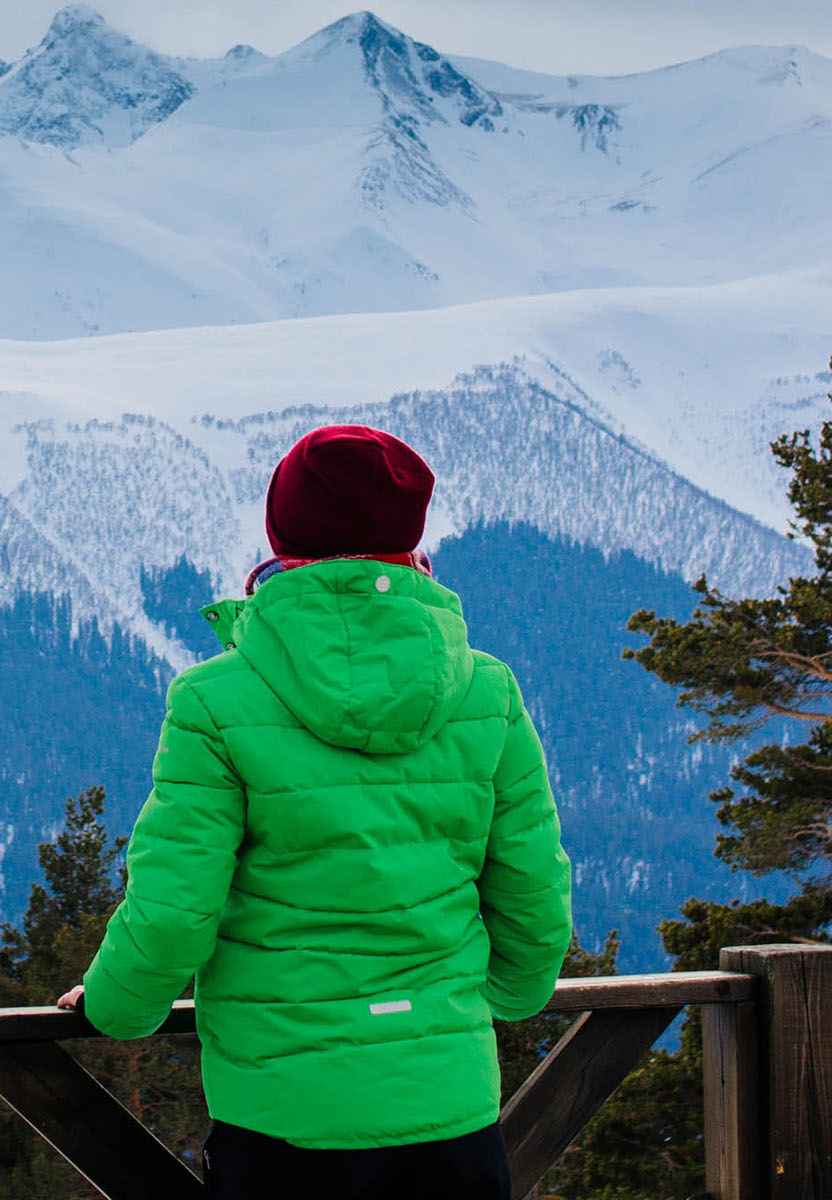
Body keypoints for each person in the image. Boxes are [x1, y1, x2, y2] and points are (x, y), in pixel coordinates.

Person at [56, 424, 571, 1200]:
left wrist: (116, 1008)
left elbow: (172, 911)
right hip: (452, 1115)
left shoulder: (217, 701)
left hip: (286, 1123)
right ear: (411, 535)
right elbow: (533, 889)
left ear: (280, 534)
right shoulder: (487, 692)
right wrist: (502, 999)